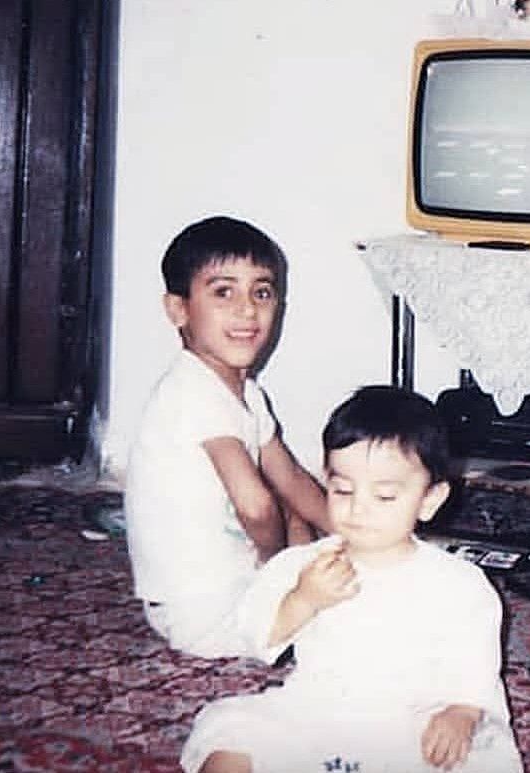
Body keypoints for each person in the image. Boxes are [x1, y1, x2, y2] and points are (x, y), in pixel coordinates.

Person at [180, 385, 524, 773]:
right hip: (317, 710)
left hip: (412, 718)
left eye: (385, 496)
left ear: (429, 500)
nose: (359, 508)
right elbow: (259, 637)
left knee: (470, 757)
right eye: (342, 490)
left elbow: (475, 663)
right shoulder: (303, 565)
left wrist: (462, 710)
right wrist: (303, 600)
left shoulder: (459, 583)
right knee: (231, 740)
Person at [125, 216, 331, 659]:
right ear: (178, 310)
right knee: (354, 593)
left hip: (215, 596)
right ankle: (295, 616)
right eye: (223, 292)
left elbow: (292, 477)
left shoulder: (247, 393)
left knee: (305, 517)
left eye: (262, 292)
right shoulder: (192, 392)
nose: (247, 310)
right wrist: (277, 566)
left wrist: (349, 531)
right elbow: (255, 506)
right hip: (206, 612)